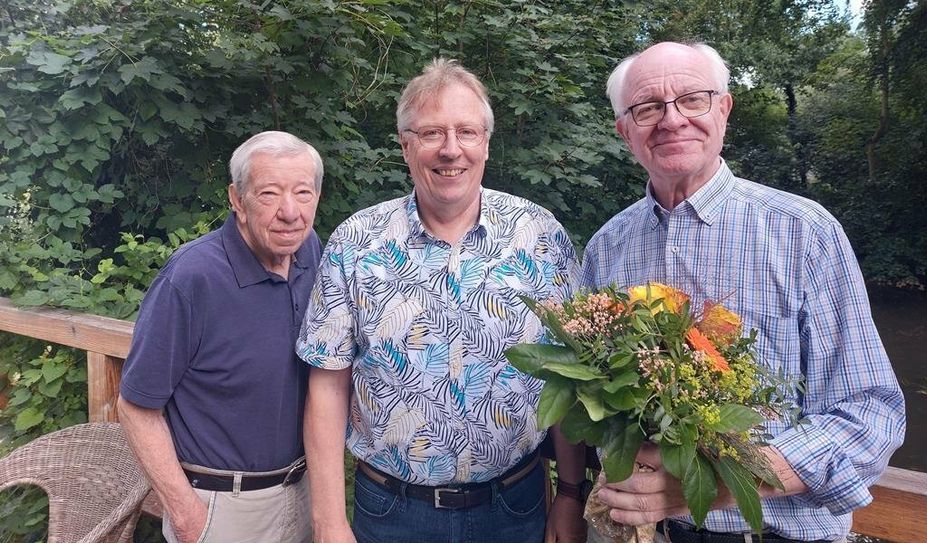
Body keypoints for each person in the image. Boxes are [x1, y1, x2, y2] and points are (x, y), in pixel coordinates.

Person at [581, 41, 906, 543]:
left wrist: (711, 484)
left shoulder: (803, 233)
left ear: (724, 109)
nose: (671, 120)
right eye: (647, 108)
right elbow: (595, 400)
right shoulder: (607, 248)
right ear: (626, 131)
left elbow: (870, 415)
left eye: (693, 99)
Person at [297, 58, 588, 543]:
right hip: (392, 512)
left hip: (515, 508)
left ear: (486, 145)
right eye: (432, 133)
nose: (451, 150)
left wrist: (572, 494)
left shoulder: (541, 236)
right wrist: (329, 521)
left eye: (467, 132)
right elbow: (327, 387)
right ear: (406, 146)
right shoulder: (356, 242)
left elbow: (568, 371)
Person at [117, 131, 324, 543]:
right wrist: (187, 514)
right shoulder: (191, 278)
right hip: (220, 507)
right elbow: (136, 409)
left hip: (300, 492)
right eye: (269, 193)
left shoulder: (310, 251)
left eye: (303, 192)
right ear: (237, 199)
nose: (290, 211)